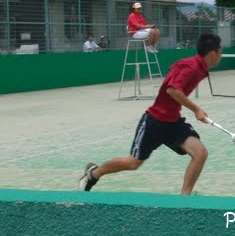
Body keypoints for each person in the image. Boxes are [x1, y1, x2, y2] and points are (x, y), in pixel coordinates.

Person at [79, 33, 223, 195]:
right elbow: (172, 90)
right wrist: (196, 109)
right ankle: (94, 174)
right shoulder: (190, 67)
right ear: (212, 53)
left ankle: (185, 198)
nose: (221, 56)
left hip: (173, 122)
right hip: (155, 121)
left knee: (200, 153)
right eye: (220, 52)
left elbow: (173, 77)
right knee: (133, 163)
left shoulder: (198, 68)